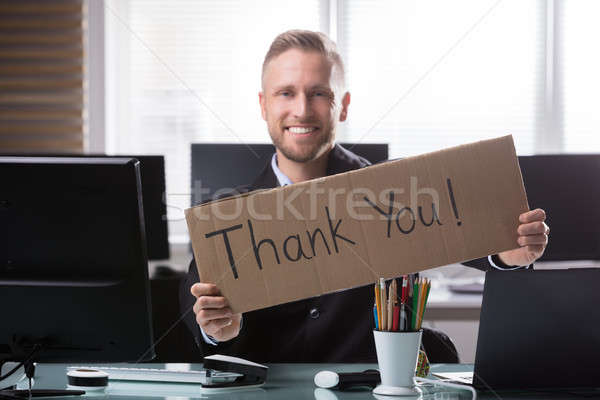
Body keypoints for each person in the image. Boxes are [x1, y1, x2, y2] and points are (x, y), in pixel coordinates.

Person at [179, 30, 550, 363]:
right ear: (263, 104)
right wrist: (219, 330)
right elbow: (202, 319)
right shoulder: (226, 216)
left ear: (343, 104)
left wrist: (509, 254)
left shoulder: (395, 190)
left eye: (319, 93)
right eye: (286, 93)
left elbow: (465, 236)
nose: (302, 109)